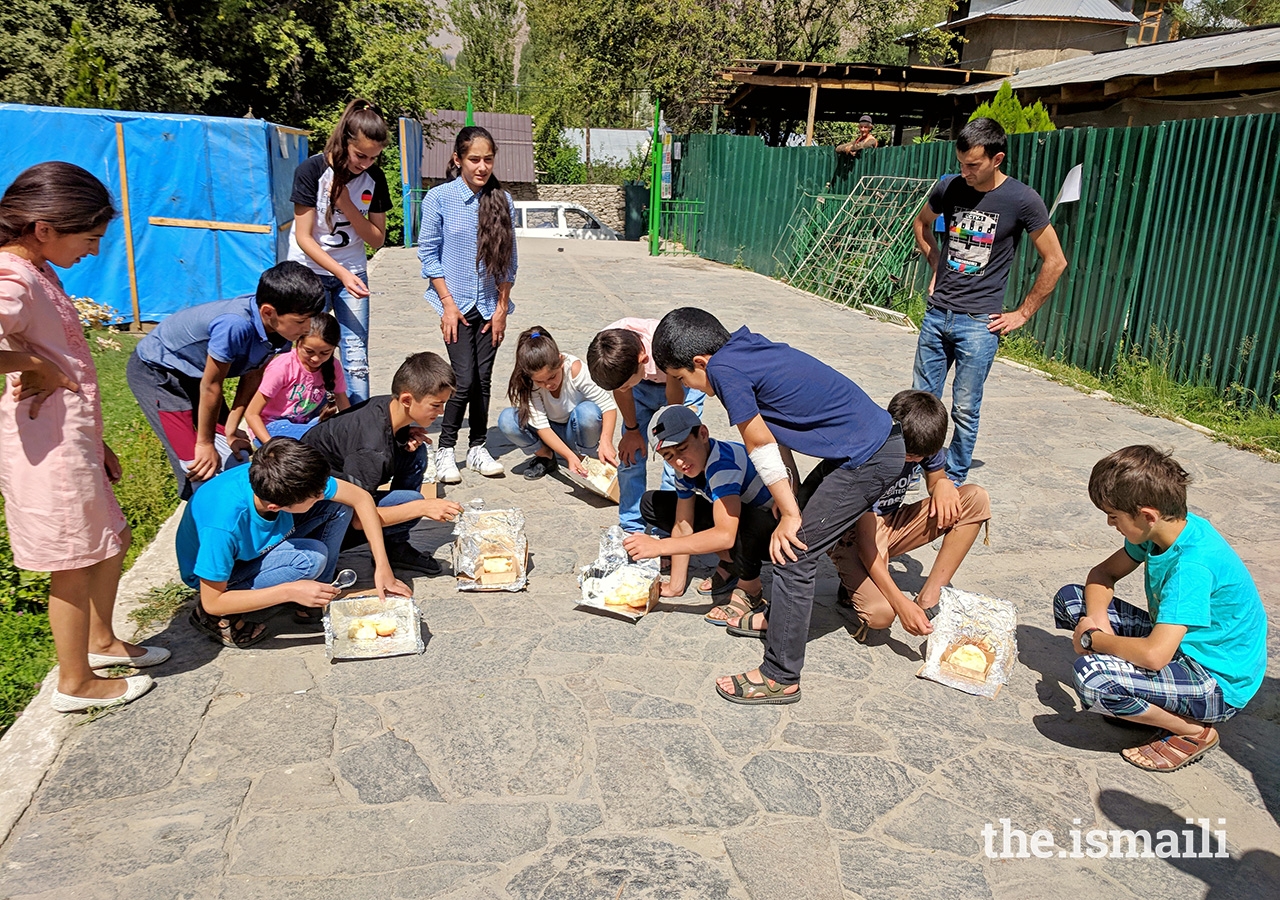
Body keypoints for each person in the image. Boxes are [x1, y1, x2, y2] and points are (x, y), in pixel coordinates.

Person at [653, 308, 904, 706]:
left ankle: (780, 675)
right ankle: (778, 618)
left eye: (683, 379)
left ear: (701, 363)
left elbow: (758, 443)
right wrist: (791, 495)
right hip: (863, 449)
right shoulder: (743, 350)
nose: (686, 387)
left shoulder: (725, 372)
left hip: (868, 458)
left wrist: (790, 513)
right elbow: (776, 429)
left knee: (793, 554)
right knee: (791, 531)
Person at [0, 161, 160, 712]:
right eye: (89, 238)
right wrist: (33, 367)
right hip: (45, 451)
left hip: (72, 440)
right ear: (45, 227)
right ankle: (75, 681)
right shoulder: (13, 277)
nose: (93, 251)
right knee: (71, 560)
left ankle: (102, 640)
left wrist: (96, 443)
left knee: (107, 542)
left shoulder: (38, 270)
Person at [1054, 445, 1266, 772]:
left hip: (1216, 680)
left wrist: (1094, 641)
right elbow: (1102, 574)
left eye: (1114, 516)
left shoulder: (1192, 568)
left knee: (1092, 677)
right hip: (1177, 645)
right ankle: (1138, 696)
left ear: (1147, 515)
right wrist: (1096, 621)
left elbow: (1155, 656)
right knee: (1071, 599)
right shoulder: (1161, 531)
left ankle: (1192, 730)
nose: (1112, 524)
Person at [911, 116, 1067, 485]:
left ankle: (954, 479)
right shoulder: (949, 187)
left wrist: (1023, 313)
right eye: (961, 162)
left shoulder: (1022, 199)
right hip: (937, 316)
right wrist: (935, 263)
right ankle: (913, 471)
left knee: (965, 408)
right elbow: (922, 223)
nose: (964, 171)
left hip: (979, 324)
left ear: (997, 159)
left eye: (973, 165)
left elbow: (1056, 260)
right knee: (921, 402)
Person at [179, 437, 410, 647]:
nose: (322, 494)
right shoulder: (223, 526)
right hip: (219, 578)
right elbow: (213, 601)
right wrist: (289, 591)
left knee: (339, 505)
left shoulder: (281, 478)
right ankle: (298, 594)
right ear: (276, 507)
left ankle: (317, 596)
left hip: (253, 546)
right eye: (315, 496)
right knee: (309, 559)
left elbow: (359, 497)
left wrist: (383, 566)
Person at [127, 261, 325, 498]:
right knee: (198, 466)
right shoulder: (235, 324)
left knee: (238, 457)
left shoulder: (280, 329)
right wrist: (204, 443)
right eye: (301, 321)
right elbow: (211, 386)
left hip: (196, 374)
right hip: (160, 372)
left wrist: (231, 429)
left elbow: (254, 374)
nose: (307, 329)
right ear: (268, 312)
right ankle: (202, 518)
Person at [828, 390, 991, 640]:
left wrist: (943, 484)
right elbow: (869, 545)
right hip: (853, 534)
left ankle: (930, 596)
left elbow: (936, 476)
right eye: (909, 454)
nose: (913, 460)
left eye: (919, 457)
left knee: (975, 499)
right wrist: (902, 604)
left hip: (889, 523)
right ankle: (852, 581)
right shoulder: (870, 451)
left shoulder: (922, 440)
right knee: (881, 616)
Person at [303, 351, 463, 576]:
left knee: (415, 452)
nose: (441, 412)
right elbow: (360, 519)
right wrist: (422, 507)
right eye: (436, 405)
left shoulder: (386, 406)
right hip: (314, 518)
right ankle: (359, 551)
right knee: (411, 502)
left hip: (338, 486)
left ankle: (394, 546)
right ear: (407, 399)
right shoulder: (370, 449)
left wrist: (403, 436)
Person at [417, 125, 518, 483]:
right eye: (474, 159)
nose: (482, 166)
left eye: (488, 159)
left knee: (484, 379)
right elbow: (428, 255)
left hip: (490, 305)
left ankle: (477, 447)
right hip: (454, 305)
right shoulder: (440, 199)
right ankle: (445, 450)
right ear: (457, 159)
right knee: (463, 378)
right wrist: (446, 303)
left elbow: (509, 261)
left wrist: (503, 309)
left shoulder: (502, 201)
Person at [621, 405, 776, 626]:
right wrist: (676, 585)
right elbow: (683, 524)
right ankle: (731, 562)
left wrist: (659, 547)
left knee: (741, 521)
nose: (679, 462)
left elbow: (725, 535)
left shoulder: (723, 464)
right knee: (653, 504)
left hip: (771, 533)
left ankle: (749, 588)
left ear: (703, 434)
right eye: (669, 456)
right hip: (738, 522)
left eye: (682, 449)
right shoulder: (684, 468)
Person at [287, 98, 391, 404]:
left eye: (373, 158)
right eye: (360, 155)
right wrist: (340, 273)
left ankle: (358, 427)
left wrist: (346, 203)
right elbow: (305, 238)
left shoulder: (375, 180)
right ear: (345, 140)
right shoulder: (311, 170)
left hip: (352, 271)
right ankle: (303, 416)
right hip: (309, 273)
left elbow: (377, 239)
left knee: (356, 358)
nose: (365, 164)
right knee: (308, 350)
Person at [586, 318, 705, 533]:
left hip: (682, 386)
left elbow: (674, 406)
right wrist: (631, 431)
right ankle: (632, 526)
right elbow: (621, 390)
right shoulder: (607, 345)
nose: (621, 388)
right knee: (631, 457)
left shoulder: (665, 346)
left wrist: (670, 437)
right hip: (640, 387)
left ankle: (669, 527)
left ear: (643, 359)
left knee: (677, 458)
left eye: (624, 384)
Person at [497, 325, 617, 480]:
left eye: (552, 377)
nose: (548, 385)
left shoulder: (575, 369)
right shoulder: (529, 383)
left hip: (575, 430)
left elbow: (608, 406)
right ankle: (546, 456)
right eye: (540, 381)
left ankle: (587, 456)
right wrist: (568, 456)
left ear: (561, 361)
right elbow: (541, 426)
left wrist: (606, 441)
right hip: (549, 431)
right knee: (507, 419)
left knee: (588, 412)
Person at [243, 312, 349, 443]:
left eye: (325, 353)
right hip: (270, 427)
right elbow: (252, 414)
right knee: (321, 438)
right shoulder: (282, 368)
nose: (316, 358)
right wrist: (271, 445)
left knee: (332, 433)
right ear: (298, 342)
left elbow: (344, 404)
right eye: (309, 351)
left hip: (306, 423)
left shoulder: (333, 366)